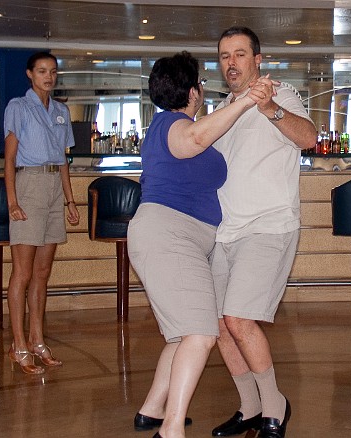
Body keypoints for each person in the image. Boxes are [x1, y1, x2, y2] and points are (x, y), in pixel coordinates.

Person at [127, 51, 267, 438]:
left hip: (172, 236)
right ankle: (171, 428)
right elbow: (197, 136)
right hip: (169, 236)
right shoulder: (174, 125)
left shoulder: (167, 128)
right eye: (201, 84)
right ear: (192, 91)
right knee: (203, 334)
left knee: (183, 333)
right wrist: (244, 101)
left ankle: (153, 409)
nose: (203, 90)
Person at [210, 27, 317, 438]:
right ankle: (250, 406)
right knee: (219, 323)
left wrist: (268, 106)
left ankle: (275, 406)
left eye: (239, 54)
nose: (231, 62)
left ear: (258, 59)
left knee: (238, 317)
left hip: (270, 225)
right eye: (224, 56)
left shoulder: (282, 94)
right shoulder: (223, 108)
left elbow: (308, 138)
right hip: (226, 231)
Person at [3, 52, 80, 375]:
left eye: (53, 72)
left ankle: (37, 340)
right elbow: (8, 159)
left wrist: (70, 200)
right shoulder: (18, 107)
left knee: (43, 272)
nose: (49, 76)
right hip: (29, 185)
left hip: (52, 187)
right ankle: (18, 344)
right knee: (22, 272)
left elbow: (62, 161)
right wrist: (12, 201)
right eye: (42, 71)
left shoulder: (61, 110)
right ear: (30, 74)